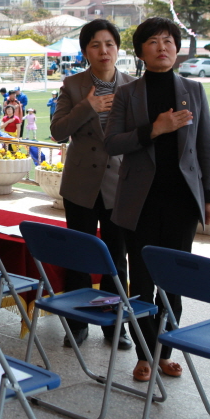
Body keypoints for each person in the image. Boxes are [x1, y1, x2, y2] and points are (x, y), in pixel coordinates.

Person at [105, 17, 210, 383]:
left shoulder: (193, 90)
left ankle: (163, 352)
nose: (162, 47)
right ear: (140, 51)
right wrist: (154, 130)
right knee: (142, 282)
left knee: (175, 282)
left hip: (182, 201)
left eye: (168, 41)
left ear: (177, 47)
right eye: (153, 42)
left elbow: (205, 148)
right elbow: (112, 143)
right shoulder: (128, 93)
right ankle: (143, 354)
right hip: (140, 201)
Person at [50, 18, 135, 350]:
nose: (104, 51)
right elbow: (58, 131)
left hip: (119, 185)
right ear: (86, 51)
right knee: (80, 256)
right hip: (81, 185)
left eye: (109, 44)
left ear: (117, 48)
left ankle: (116, 327)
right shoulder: (72, 86)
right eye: (95, 45)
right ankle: (78, 323)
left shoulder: (132, 86)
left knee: (117, 258)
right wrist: (89, 106)